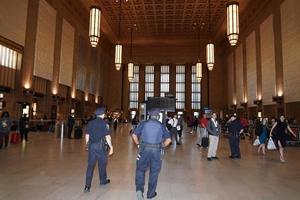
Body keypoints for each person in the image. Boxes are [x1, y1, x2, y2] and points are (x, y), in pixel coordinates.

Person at [132, 108, 171, 200]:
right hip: (156, 151)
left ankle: (139, 191)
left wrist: (138, 144)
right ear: (158, 116)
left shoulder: (143, 124)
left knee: (140, 170)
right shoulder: (161, 126)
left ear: (149, 115)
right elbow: (168, 140)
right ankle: (150, 194)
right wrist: (162, 146)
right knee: (154, 172)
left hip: (144, 149)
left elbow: (134, 135)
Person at [84, 107, 113, 192]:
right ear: (103, 114)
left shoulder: (90, 123)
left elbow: (87, 135)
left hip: (91, 146)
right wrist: (111, 147)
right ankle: (103, 180)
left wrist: (87, 145)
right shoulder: (104, 123)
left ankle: (87, 186)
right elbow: (107, 137)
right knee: (102, 164)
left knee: (90, 166)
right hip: (100, 147)